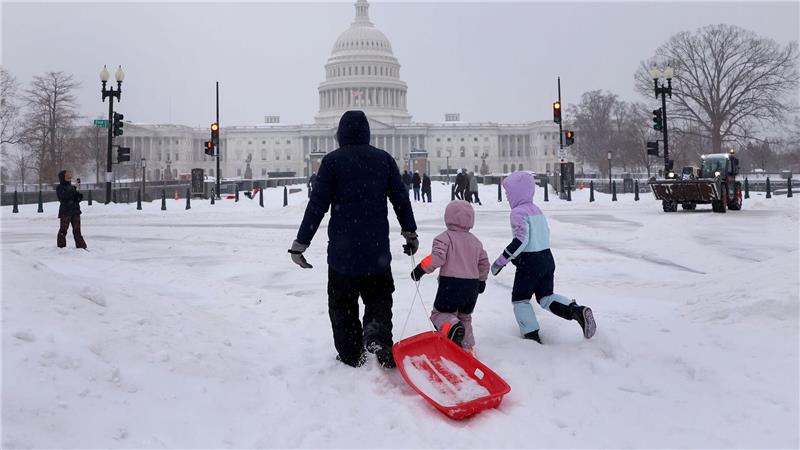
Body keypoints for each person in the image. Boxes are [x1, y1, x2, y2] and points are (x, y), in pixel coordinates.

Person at [288, 110, 418, 369]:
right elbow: (400, 200)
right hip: (376, 251)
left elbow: (317, 206)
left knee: (342, 306)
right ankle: (377, 336)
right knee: (379, 299)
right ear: (367, 133)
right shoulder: (384, 160)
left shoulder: (333, 162)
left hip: (342, 254)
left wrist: (300, 244)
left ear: (340, 135)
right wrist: (410, 232)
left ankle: (350, 353)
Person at [490, 171, 596, 344]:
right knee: (546, 297)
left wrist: (501, 261)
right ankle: (577, 311)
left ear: (518, 192)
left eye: (509, 193)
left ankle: (531, 336)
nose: (508, 197)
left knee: (520, 299)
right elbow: (544, 233)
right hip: (547, 258)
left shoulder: (517, 212)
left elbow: (521, 240)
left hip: (529, 263)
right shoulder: (537, 210)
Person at [411, 201, 489, 353]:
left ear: (448, 217)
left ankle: (453, 328)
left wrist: (420, 269)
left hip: (451, 284)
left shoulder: (444, 238)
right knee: (465, 317)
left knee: (439, 315)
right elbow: (484, 263)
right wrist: (482, 281)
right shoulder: (476, 242)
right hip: (471, 287)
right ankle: (466, 348)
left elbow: (437, 257)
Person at [56, 170, 87, 249]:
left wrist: (79, 196)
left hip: (75, 211)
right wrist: (74, 188)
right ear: (63, 177)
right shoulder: (60, 187)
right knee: (63, 230)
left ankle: (81, 246)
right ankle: (61, 247)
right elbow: (64, 197)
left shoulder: (71, 187)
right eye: (67, 175)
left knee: (77, 230)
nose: (69, 176)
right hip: (66, 211)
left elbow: (75, 197)